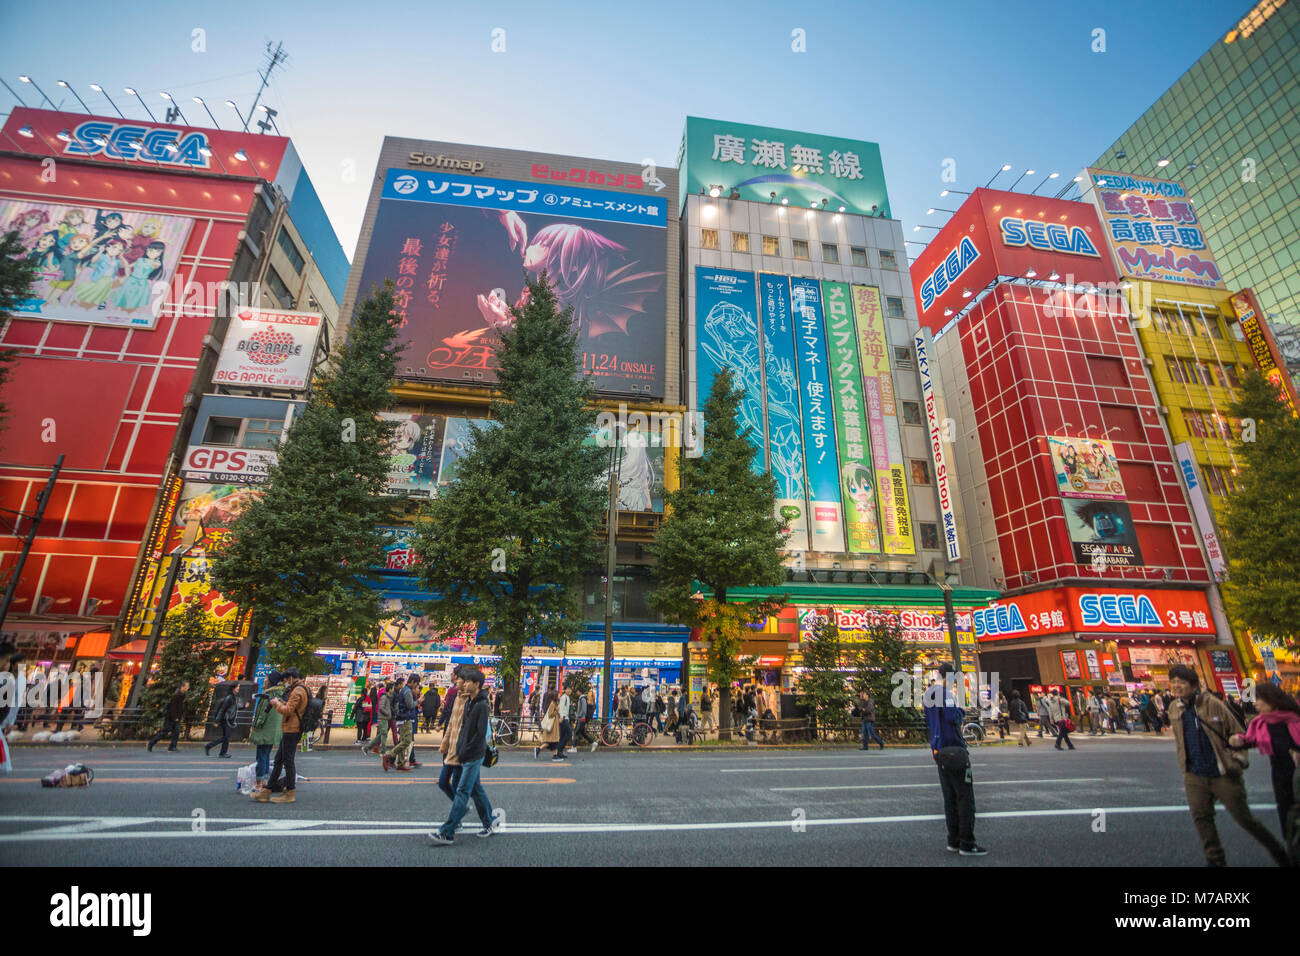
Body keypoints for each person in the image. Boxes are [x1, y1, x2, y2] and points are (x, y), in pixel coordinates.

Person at [1166, 664, 1289, 867]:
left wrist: (1238, 760)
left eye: (1182, 682)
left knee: (1244, 819)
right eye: (1174, 682)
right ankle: (1215, 860)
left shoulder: (1212, 704)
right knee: (1201, 817)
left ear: (1194, 685)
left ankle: (1280, 854)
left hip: (1221, 771)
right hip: (1194, 773)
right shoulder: (1174, 708)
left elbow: (1237, 731)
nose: (1177, 686)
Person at [428, 667, 495, 846]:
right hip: (465, 753)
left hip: (472, 755)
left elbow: (480, 734)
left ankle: (447, 831)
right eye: (463, 681)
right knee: (474, 789)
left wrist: (464, 750)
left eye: (467, 682)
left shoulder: (481, 705)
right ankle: (489, 821)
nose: (464, 684)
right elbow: (461, 727)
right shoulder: (470, 702)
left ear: (477, 685)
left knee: (462, 791)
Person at [924, 663, 986, 856]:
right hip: (955, 749)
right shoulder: (945, 694)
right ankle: (967, 842)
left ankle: (953, 840)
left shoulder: (928, 695)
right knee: (965, 797)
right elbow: (953, 716)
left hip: (939, 749)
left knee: (949, 797)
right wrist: (961, 710)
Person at [1228, 682, 1300, 845]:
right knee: (1287, 815)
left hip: (1297, 775)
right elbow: (1250, 740)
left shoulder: (1294, 719)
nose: (1255, 704)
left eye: (1258, 699)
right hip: (1280, 776)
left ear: (1271, 700)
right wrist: (1237, 741)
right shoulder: (1261, 723)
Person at [255, 668, 310, 804]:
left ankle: (290, 792)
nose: (285, 682)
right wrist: (282, 702)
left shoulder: (298, 690)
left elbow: (288, 711)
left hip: (292, 728)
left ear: (291, 677)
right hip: (291, 728)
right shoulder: (303, 688)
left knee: (288, 761)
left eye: (286, 679)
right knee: (279, 760)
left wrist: (277, 704)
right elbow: (293, 707)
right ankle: (266, 791)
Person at [248, 671, 284, 793]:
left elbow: (262, 714)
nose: (264, 680)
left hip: (264, 729)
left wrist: (256, 726)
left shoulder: (268, 695)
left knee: (261, 756)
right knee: (266, 754)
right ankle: (264, 781)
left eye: (266, 678)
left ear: (271, 680)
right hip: (273, 730)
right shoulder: (280, 694)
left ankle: (259, 783)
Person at [438, 668, 468, 803]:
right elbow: (451, 722)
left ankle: (457, 817)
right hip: (452, 747)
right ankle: (460, 809)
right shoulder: (457, 697)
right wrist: (445, 743)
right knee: (443, 782)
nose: (456, 681)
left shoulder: (471, 700)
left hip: (461, 749)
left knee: (458, 784)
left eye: (458, 679)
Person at [383, 675, 417, 772]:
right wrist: (418, 701)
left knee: (402, 740)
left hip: (401, 718)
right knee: (407, 741)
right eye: (417, 684)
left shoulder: (404, 690)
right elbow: (410, 705)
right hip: (406, 718)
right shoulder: (407, 691)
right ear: (413, 682)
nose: (416, 686)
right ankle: (389, 755)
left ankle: (400, 763)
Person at [147, 681, 190, 752]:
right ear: (182, 687)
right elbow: (172, 707)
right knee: (165, 732)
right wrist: (175, 717)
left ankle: (172, 746)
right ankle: (151, 743)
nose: (188, 688)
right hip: (171, 717)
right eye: (187, 686)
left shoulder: (182, 695)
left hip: (176, 717)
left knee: (176, 731)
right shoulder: (176, 695)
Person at [204, 684, 239, 757]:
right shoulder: (229, 697)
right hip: (225, 719)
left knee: (226, 737)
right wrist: (217, 721)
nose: (238, 688)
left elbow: (233, 708)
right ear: (233, 688)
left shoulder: (233, 697)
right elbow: (222, 709)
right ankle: (220, 752)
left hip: (228, 719)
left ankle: (212, 747)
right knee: (227, 736)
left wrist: (244, 707)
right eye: (237, 687)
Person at [365, 681, 393, 754]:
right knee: (384, 734)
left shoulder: (384, 695)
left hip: (383, 717)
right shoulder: (384, 697)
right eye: (392, 688)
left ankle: (367, 748)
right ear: (390, 689)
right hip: (383, 717)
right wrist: (387, 713)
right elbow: (381, 707)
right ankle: (383, 750)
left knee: (381, 734)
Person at [536, 691, 561, 759]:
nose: (560, 696)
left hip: (554, 724)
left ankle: (539, 749)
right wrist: (556, 711)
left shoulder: (555, 703)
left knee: (553, 741)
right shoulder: (552, 704)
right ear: (555, 696)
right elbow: (550, 714)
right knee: (553, 741)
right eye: (559, 695)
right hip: (552, 726)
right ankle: (555, 756)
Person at [556, 685, 572, 759]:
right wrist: (562, 717)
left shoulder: (567, 698)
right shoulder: (564, 697)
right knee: (569, 734)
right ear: (565, 690)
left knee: (562, 735)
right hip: (563, 719)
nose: (569, 690)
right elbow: (561, 708)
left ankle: (559, 752)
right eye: (568, 689)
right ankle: (559, 750)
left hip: (565, 718)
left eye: (570, 689)